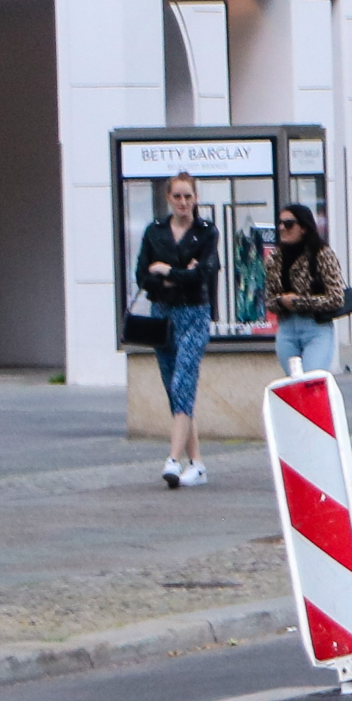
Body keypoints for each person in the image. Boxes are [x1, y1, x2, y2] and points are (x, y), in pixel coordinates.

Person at [135, 171, 217, 488]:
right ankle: (196, 462)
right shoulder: (154, 232)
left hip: (195, 312)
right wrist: (176, 274)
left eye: (188, 196)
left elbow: (204, 274)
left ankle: (172, 459)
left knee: (184, 377)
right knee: (173, 386)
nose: (183, 202)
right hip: (163, 314)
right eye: (177, 196)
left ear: (196, 198)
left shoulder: (206, 232)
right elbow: (143, 274)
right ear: (169, 198)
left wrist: (167, 270)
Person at [265, 201, 346, 377]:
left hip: (316, 328)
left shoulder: (322, 254)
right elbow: (269, 299)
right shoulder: (275, 258)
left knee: (310, 381)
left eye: (288, 224)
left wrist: (299, 302)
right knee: (294, 385)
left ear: (303, 227)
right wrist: (281, 301)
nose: (282, 228)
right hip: (287, 329)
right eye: (279, 223)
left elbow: (336, 297)